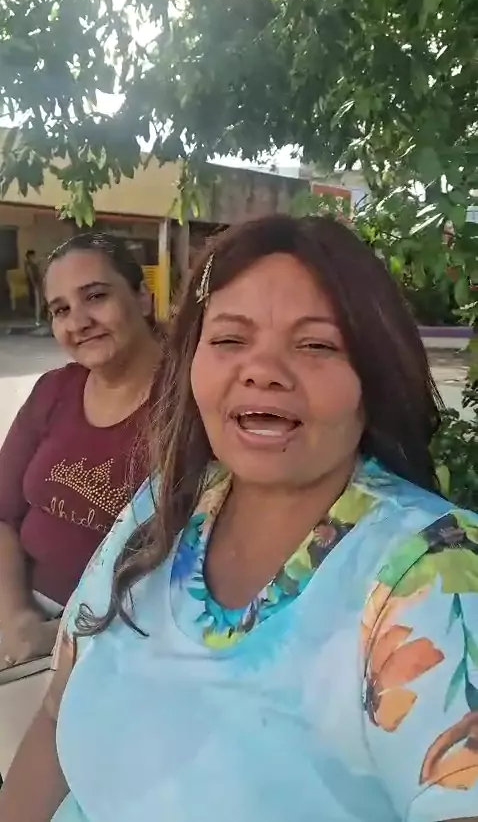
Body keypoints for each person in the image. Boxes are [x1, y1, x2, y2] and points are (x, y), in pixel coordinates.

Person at [2, 214, 477, 822]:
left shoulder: (436, 577)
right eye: (229, 340)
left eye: (316, 345)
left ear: (373, 375)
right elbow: (53, 714)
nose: (262, 371)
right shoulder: (166, 503)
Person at [0, 232, 164, 672]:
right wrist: (16, 618)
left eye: (95, 296)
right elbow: (2, 514)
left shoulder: (190, 408)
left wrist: (58, 636)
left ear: (143, 299)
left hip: (112, 642)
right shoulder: (54, 390)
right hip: (14, 606)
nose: (79, 322)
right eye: (61, 310)